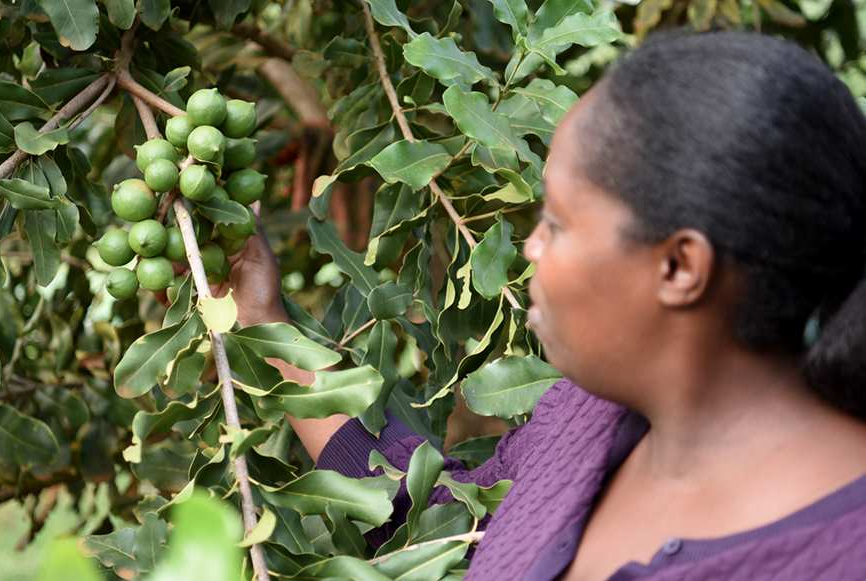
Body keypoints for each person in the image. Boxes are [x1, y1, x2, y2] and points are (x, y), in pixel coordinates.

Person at [225, 31, 866, 580]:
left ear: (679, 267)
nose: (528, 249)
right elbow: (432, 520)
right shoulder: (587, 419)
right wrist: (264, 321)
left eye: (556, 224)